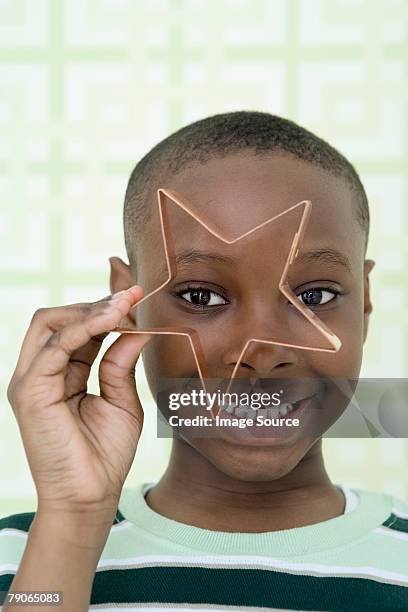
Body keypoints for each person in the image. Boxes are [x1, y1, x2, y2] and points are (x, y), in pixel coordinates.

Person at [1, 111, 407, 611]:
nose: (260, 354)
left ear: (364, 300)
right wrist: (72, 517)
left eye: (315, 294)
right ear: (126, 303)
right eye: (201, 296)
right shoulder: (23, 563)